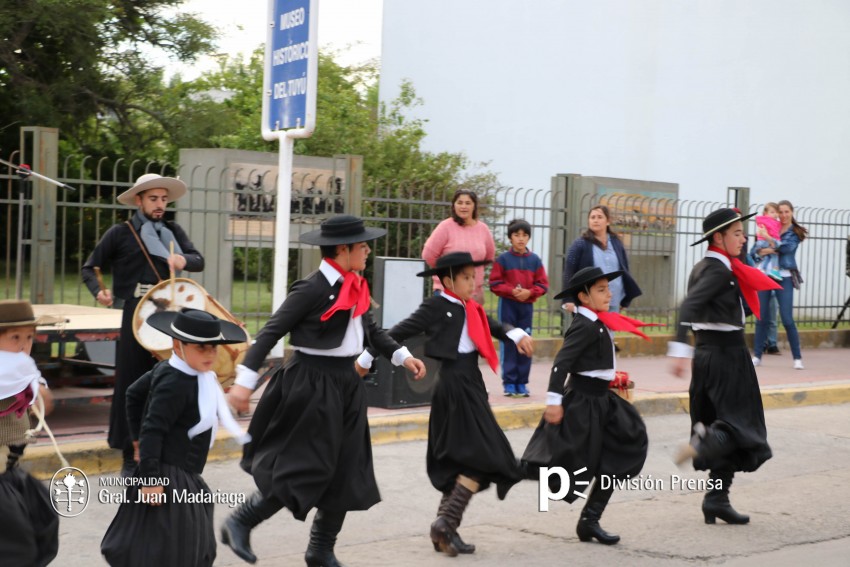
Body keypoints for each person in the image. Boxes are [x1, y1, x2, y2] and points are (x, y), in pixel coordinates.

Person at [221, 215, 426, 566]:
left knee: (347, 469)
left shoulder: (355, 283)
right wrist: (243, 384)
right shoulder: (311, 288)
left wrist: (402, 356)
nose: (366, 250)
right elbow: (270, 333)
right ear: (343, 250)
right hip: (311, 384)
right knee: (303, 467)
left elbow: (371, 331)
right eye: (362, 245)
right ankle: (241, 520)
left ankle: (320, 549)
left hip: (346, 384)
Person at [373, 251, 533, 556]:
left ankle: (446, 528)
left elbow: (492, 325)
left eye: (474, 277)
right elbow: (398, 331)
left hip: (470, 383)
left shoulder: (468, 307)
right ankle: (446, 522)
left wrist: (515, 333)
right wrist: (369, 356)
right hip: (454, 386)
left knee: (465, 459)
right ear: (448, 280)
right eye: (466, 277)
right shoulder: (436, 305)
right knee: (482, 456)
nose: (473, 283)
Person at [101, 308, 250, 567]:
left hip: (182, 474)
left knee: (182, 544)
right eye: (201, 348)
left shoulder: (172, 368)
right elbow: (153, 430)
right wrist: (150, 477)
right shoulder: (175, 381)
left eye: (214, 348)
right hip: (169, 477)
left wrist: (135, 439)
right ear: (177, 345)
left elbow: (133, 395)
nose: (210, 354)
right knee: (175, 548)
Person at [82, 173, 204, 476]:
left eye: (164, 199)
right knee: (131, 384)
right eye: (153, 199)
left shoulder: (173, 230)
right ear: (139, 200)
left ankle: (166, 451)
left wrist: (182, 262)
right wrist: (99, 291)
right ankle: (129, 453)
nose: (160, 204)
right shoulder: (120, 233)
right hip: (136, 314)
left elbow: (198, 259)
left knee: (169, 382)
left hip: (171, 314)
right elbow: (90, 266)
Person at [521, 267, 650, 545]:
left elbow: (592, 364)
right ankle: (510, 472)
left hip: (602, 399)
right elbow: (562, 364)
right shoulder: (583, 325)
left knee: (624, 447)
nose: (609, 293)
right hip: (582, 402)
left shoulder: (597, 322)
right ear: (584, 296)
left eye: (608, 288)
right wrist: (553, 401)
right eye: (601, 290)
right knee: (569, 461)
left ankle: (590, 520)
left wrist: (613, 379)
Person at [668, 208, 779, 525]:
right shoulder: (718, 271)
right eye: (737, 233)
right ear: (718, 237)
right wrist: (676, 348)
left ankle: (716, 499)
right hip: (726, 357)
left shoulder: (705, 267)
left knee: (725, 423)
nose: (744, 239)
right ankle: (701, 443)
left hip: (708, 355)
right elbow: (688, 306)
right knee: (740, 425)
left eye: (743, 233)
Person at [0, 300, 59, 566]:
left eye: (29, 337)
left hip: (11, 473)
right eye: (15, 337)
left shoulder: (18, 371)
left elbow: (43, 396)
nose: (24, 345)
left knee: (44, 524)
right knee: (16, 551)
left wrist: (40, 394)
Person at [489, 218, 549, 397]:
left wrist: (529, 293)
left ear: (529, 238)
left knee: (525, 342)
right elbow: (494, 283)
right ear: (510, 238)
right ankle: (509, 382)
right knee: (509, 341)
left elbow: (543, 285)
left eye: (524, 235)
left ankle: (522, 383)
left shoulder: (535, 260)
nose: (520, 239)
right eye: (516, 235)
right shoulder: (503, 260)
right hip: (508, 305)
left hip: (526, 308)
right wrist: (511, 291)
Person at [751, 200, 808, 369]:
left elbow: (786, 249)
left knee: (787, 318)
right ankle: (757, 356)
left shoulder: (794, 232)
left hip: (785, 276)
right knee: (761, 317)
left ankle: (797, 358)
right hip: (766, 276)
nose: (782, 215)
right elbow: (755, 252)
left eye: (786, 212)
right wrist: (768, 247)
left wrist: (769, 242)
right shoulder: (768, 226)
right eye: (780, 212)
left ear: (791, 212)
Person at [561, 205, 641, 314]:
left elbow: (624, 269)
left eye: (599, 217)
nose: (595, 220)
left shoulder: (616, 243)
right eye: (592, 217)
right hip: (589, 302)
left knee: (609, 331)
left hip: (613, 301)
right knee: (590, 330)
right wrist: (568, 299)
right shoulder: (579, 244)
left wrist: (625, 300)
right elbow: (569, 271)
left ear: (608, 221)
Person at [422, 189, 495, 304]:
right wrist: (446, 270)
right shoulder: (445, 227)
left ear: (474, 206)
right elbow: (428, 255)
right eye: (459, 203)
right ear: (454, 206)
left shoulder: (483, 229)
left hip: (474, 294)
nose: (463, 207)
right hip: (447, 292)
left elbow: (489, 257)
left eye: (468, 203)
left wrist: (472, 272)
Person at [753, 203, 783, 280]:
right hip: (765, 241)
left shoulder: (763, 221)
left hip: (761, 242)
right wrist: (776, 242)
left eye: (776, 212)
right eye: (772, 212)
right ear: (765, 213)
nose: (775, 214)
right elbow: (773, 234)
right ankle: (775, 269)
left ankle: (763, 269)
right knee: (775, 253)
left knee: (767, 256)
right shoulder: (769, 221)